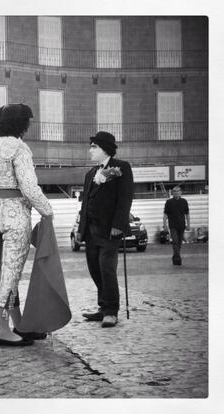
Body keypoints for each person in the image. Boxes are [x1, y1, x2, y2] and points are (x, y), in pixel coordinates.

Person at [0, 103, 53, 347]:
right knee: (11, 274)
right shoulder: (19, 148)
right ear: (22, 124)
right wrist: (47, 211)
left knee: (7, 272)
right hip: (15, 214)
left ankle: (19, 324)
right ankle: (2, 329)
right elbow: (29, 187)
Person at [77, 131, 133, 328]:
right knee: (94, 269)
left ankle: (111, 311)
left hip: (110, 230)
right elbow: (85, 204)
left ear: (105, 149)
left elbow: (125, 198)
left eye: (94, 147)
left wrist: (119, 224)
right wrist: (79, 228)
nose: (90, 150)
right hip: (90, 231)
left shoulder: (122, 168)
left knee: (106, 268)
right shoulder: (90, 174)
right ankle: (103, 307)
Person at [163, 186, 190, 265]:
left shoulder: (184, 201)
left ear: (180, 192)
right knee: (175, 241)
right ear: (172, 193)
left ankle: (175, 257)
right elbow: (165, 214)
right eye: (174, 191)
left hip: (181, 225)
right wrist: (165, 225)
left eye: (178, 191)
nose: (176, 193)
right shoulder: (169, 202)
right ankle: (178, 258)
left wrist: (188, 224)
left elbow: (187, 214)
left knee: (179, 243)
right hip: (172, 225)